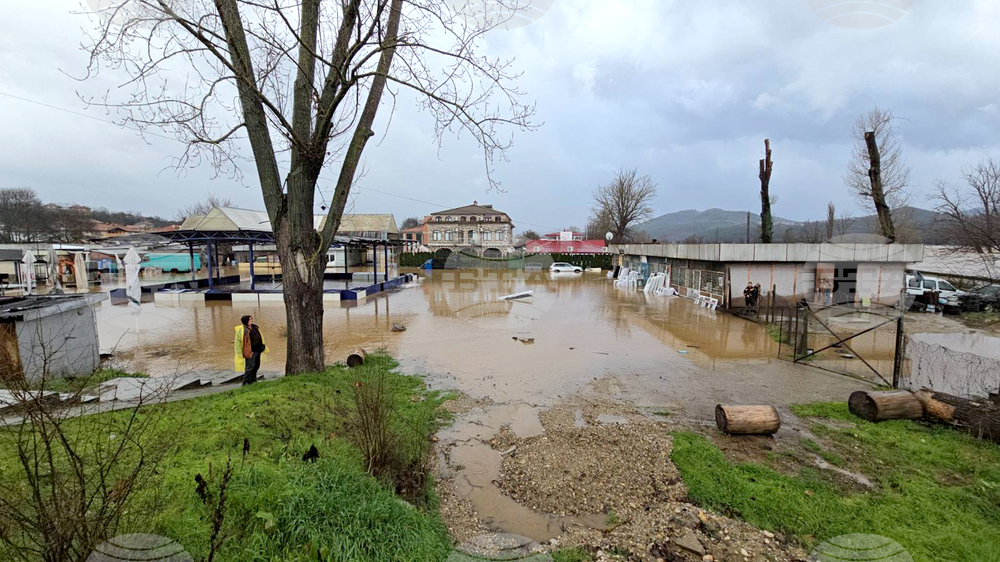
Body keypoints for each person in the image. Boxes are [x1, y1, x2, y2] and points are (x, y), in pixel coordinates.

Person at [234, 315, 266, 385]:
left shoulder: (255, 327)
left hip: (258, 350)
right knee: (250, 367)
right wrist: (240, 352)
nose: (252, 320)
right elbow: (238, 342)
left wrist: (263, 346)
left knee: (256, 366)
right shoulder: (242, 330)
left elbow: (260, 337)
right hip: (249, 351)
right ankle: (246, 382)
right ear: (246, 321)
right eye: (250, 319)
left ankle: (253, 380)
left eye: (252, 319)